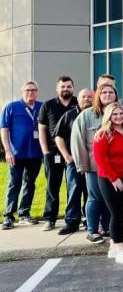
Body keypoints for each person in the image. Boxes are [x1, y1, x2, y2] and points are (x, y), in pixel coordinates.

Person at [71, 83, 118, 242]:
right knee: (95, 197)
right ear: (98, 95)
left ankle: (105, 228)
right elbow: (77, 141)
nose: (107, 95)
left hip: (115, 166)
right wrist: (82, 165)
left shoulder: (119, 113)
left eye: (110, 92)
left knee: (109, 198)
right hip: (94, 166)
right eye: (103, 92)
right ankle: (92, 230)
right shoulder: (87, 115)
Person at [92, 103, 123, 264]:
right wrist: (113, 178)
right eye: (115, 114)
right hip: (109, 179)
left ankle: (113, 245)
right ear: (109, 116)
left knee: (120, 210)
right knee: (117, 213)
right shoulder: (103, 134)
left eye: (121, 114)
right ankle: (119, 247)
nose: (118, 117)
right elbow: (100, 160)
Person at [37, 76, 78, 231]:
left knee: (73, 187)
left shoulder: (77, 103)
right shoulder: (48, 105)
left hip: (74, 153)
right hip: (53, 152)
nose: (66, 89)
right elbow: (42, 129)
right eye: (63, 87)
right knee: (52, 186)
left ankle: (72, 218)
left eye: (68, 86)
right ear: (57, 88)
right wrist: (45, 151)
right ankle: (50, 218)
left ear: (72, 88)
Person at [1, 81, 44, 229]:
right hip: (16, 154)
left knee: (30, 184)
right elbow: (4, 130)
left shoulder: (42, 107)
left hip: (35, 153)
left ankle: (24, 213)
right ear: (22, 91)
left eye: (33, 90)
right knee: (14, 184)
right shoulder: (11, 107)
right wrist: (8, 150)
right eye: (27, 90)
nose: (30, 92)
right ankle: (8, 216)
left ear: (37, 92)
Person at [54, 87, 93, 235]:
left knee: (91, 193)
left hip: (93, 162)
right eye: (84, 97)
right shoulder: (69, 115)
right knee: (74, 191)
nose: (87, 99)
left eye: (90, 97)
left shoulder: (96, 114)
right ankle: (72, 222)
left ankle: (90, 220)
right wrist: (66, 156)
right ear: (79, 98)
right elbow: (58, 136)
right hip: (74, 161)